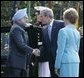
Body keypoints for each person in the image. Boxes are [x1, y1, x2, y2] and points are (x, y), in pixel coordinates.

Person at [7, 8, 40, 77]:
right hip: (16, 63)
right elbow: (21, 44)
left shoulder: (18, 27)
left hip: (19, 63)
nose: (27, 20)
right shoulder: (16, 28)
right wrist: (33, 51)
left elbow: (27, 25)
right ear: (19, 19)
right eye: (25, 18)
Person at [38, 7, 65, 77]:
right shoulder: (44, 30)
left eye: (41, 16)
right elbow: (44, 45)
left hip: (62, 60)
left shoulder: (61, 24)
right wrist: (38, 51)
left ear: (47, 16)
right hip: (51, 61)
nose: (40, 19)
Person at [54, 8, 80, 77]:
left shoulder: (63, 31)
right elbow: (77, 49)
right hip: (76, 61)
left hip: (65, 62)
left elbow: (60, 50)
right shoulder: (77, 32)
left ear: (65, 18)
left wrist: (57, 65)